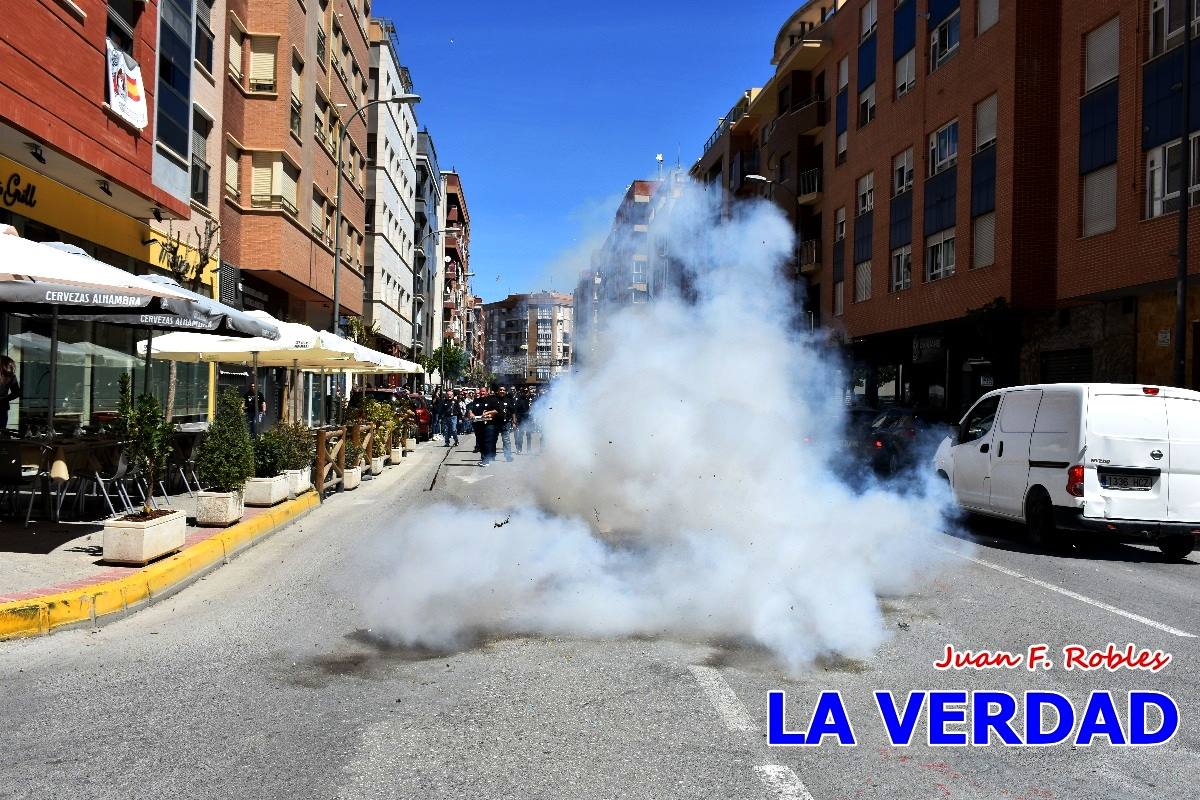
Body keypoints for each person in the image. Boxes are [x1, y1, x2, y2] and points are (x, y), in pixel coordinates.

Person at [495, 385, 515, 462]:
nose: (502, 391)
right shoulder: (494, 399)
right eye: (500, 390)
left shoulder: (508, 400)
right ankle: (491, 456)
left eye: (503, 390)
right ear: (498, 391)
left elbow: (513, 411)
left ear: (505, 391)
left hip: (506, 423)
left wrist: (514, 422)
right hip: (495, 423)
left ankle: (508, 456)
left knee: (506, 440)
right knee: (493, 440)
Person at [0, 356, 20, 430]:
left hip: (2, 407)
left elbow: (17, 392)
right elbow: (17, 392)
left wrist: (4, 398)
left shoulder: (11, 376)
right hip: (3, 406)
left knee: (2, 430)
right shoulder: (10, 376)